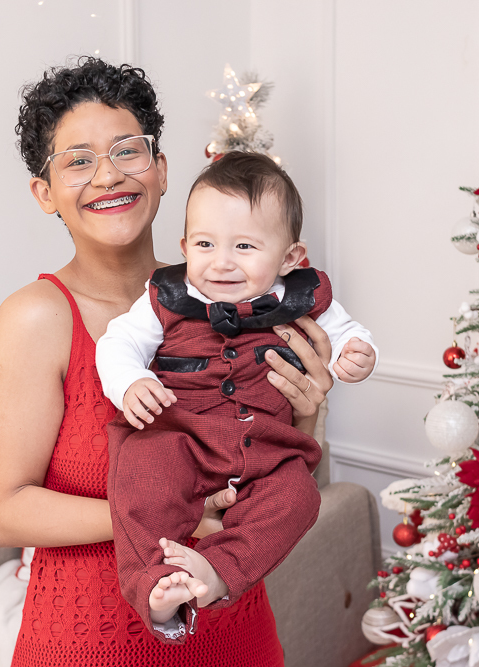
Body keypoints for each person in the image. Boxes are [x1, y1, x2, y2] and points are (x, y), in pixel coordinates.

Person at [0, 57, 334, 667]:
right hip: (93, 642)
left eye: (127, 151)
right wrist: (174, 513)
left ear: (162, 170)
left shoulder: (234, 292)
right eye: (78, 161)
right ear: (45, 193)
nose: (108, 175)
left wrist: (307, 415)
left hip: (236, 630)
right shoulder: (36, 318)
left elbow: (281, 479)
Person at [95, 151, 378, 642]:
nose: (221, 262)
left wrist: (357, 354)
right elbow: (119, 341)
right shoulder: (166, 297)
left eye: (245, 246)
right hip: (181, 437)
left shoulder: (299, 298)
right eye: (205, 244)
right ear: (184, 246)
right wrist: (129, 382)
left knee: (298, 496)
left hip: (265, 450)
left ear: (291, 257)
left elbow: (346, 334)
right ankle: (155, 589)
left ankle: (218, 571)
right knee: (139, 473)